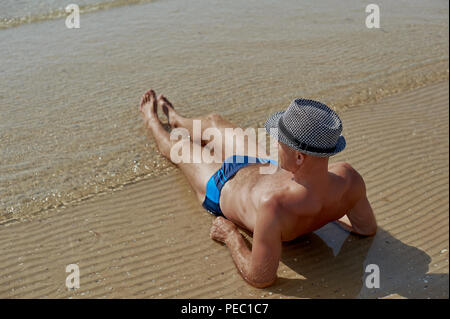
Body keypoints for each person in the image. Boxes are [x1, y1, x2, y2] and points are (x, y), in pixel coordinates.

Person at [139, 89, 377, 288]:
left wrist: (231, 237)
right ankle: (177, 120)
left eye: (280, 140)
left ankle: (151, 120)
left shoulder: (275, 207)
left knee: (177, 147)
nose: (275, 142)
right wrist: (327, 210)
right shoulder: (348, 178)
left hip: (221, 184)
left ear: (300, 157)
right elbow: (365, 227)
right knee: (213, 121)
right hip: (266, 167)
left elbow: (260, 277)